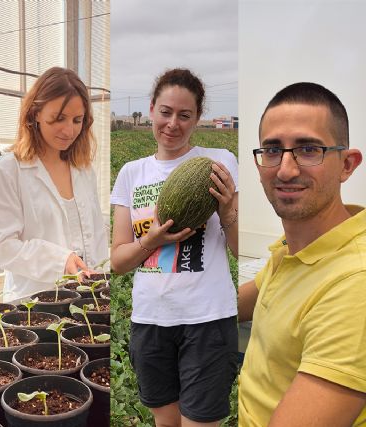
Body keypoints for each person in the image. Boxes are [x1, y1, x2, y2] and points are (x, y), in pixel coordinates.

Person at [110, 68, 238, 426]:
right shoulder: (131, 173)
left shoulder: (218, 164)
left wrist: (227, 210)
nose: (173, 123)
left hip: (207, 320)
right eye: (165, 112)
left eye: (185, 115)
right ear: (151, 109)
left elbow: (241, 251)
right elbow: (118, 261)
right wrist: (149, 241)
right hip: (151, 321)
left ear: (197, 118)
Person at [238, 82, 365, 426]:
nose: (285, 169)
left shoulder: (355, 287)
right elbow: (244, 301)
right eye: (272, 150)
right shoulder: (296, 247)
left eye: (309, 149)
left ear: (347, 164)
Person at [0, 67, 108, 302]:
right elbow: (1, 248)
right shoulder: (8, 172)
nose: (69, 130)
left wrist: (101, 282)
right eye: (58, 118)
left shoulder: (83, 170)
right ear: (35, 113)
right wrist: (60, 261)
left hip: (88, 300)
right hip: (33, 305)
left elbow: (97, 236)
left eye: (77, 120)